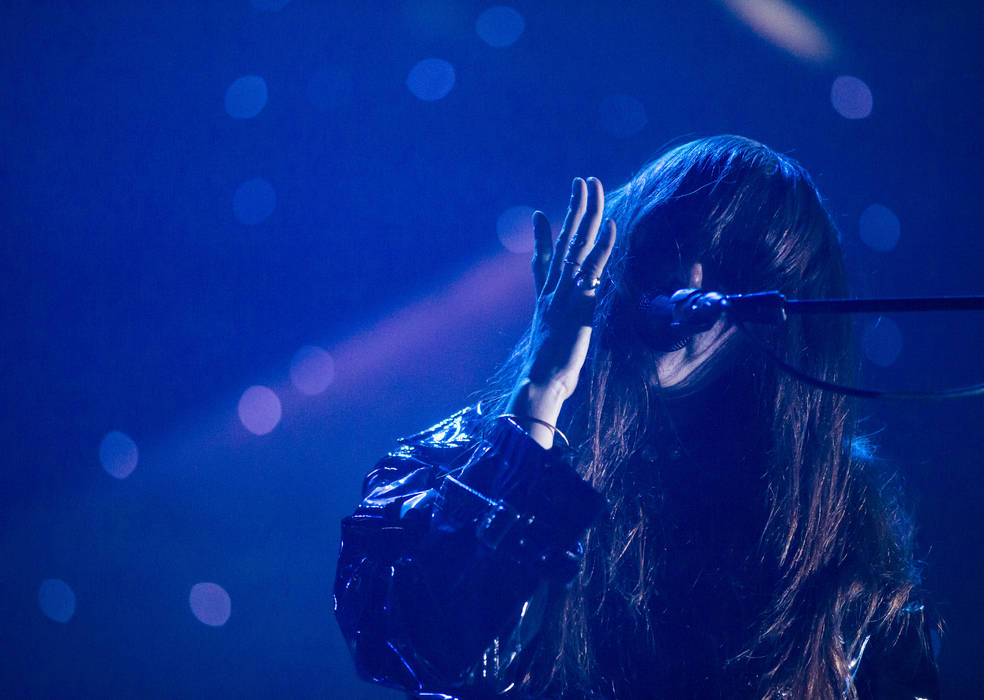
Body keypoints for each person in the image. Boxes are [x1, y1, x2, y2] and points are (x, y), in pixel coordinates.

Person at [334, 135, 940, 699]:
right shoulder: (459, 458)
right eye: (675, 243)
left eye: (732, 266)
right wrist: (541, 395)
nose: (690, 278)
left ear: (769, 320)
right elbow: (425, 647)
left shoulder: (836, 517)